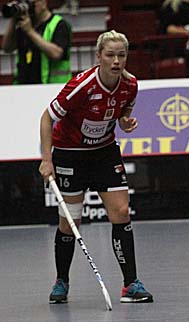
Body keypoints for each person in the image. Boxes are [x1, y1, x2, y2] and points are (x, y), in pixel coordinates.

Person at [38, 30, 153, 304]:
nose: (116, 61)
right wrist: (47, 159)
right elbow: (47, 118)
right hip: (70, 154)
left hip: (104, 153)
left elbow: (123, 111)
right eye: (110, 55)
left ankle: (130, 284)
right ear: (99, 56)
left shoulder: (130, 85)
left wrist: (125, 121)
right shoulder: (82, 86)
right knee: (70, 222)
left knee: (121, 212)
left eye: (121, 55)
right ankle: (61, 281)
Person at [1, 0, 72, 84]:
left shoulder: (59, 24)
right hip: (23, 85)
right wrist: (13, 19)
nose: (29, 7)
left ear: (43, 3)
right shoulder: (24, 24)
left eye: (31, 3)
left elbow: (56, 54)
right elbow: (7, 48)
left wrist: (30, 31)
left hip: (51, 86)